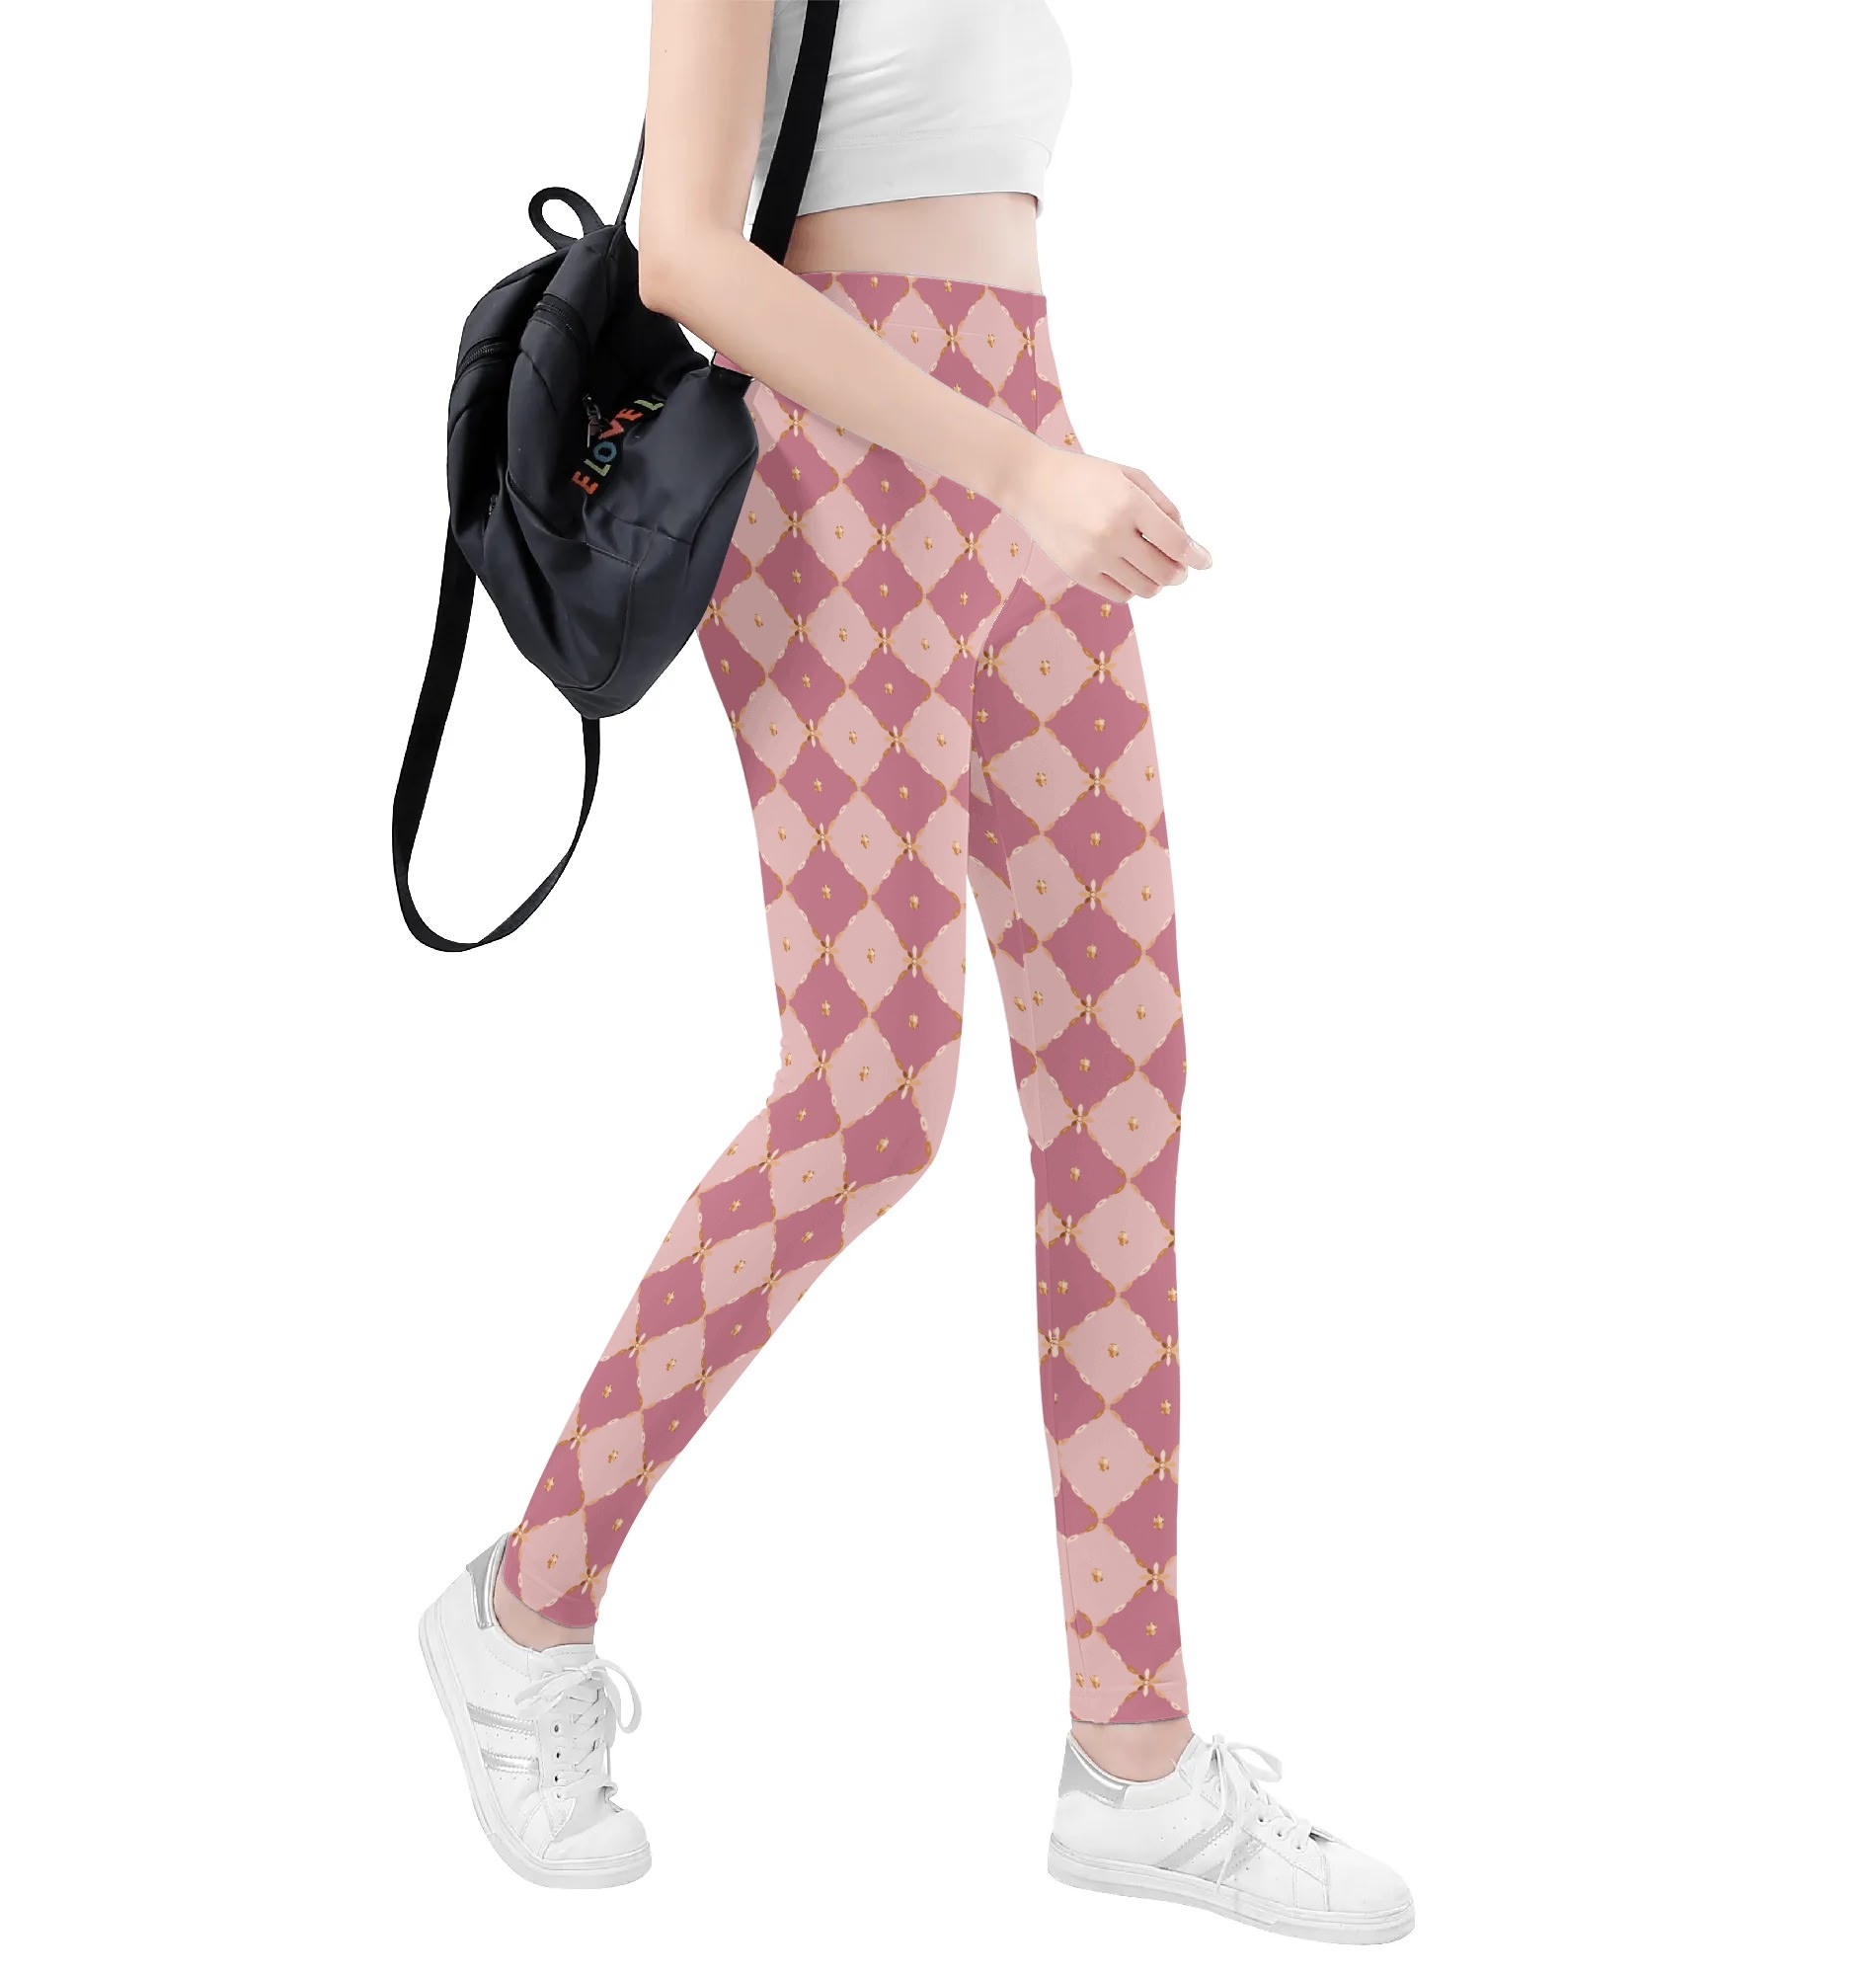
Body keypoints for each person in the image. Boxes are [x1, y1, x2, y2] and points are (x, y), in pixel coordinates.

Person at [419, 0, 1412, 1941]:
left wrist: (1034, 470)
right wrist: (1020, 471)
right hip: (838, 485)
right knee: (867, 1094)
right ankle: (520, 1615)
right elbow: (692, 255)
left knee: (1122, 1087)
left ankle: (1135, 1761)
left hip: (1023, 453)